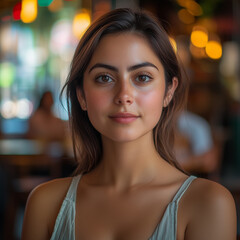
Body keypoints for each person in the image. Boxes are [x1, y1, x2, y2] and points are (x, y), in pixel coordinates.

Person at [21, 8, 236, 240]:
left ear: (169, 91)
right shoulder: (44, 205)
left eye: (142, 77)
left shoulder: (208, 204)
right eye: (104, 78)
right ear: (81, 95)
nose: (124, 95)